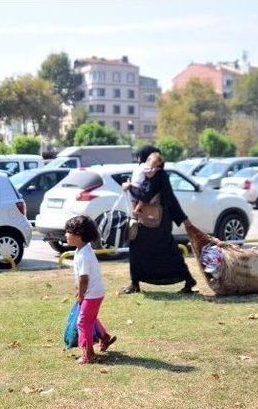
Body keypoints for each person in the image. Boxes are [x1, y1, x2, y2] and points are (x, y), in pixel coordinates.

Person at [121, 145, 198, 294]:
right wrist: (183, 218)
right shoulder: (151, 174)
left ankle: (188, 280)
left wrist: (129, 187)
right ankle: (135, 282)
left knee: (161, 251)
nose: (142, 162)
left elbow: (146, 195)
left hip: (156, 223)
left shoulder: (158, 175)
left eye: (145, 158)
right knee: (148, 251)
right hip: (154, 222)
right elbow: (170, 199)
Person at [65, 215, 117, 364]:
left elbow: (84, 279)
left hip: (91, 294)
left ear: (79, 235)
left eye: (69, 231)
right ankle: (105, 338)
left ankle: (88, 354)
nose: (66, 235)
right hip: (95, 293)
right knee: (89, 318)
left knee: (82, 322)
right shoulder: (82, 249)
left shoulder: (84, 255)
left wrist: (80, 295)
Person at [125, 151, 164, 216]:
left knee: (133, 201)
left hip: (132, 185)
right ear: (148, 160)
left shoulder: (140, 166)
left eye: (156, 165)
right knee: (142, 200)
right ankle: (136, 211)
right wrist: (155, 170)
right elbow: (149, 175)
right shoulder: (146, 167)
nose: (154, 166)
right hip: (137, 187)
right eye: (154, 163)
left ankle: (135, 212)